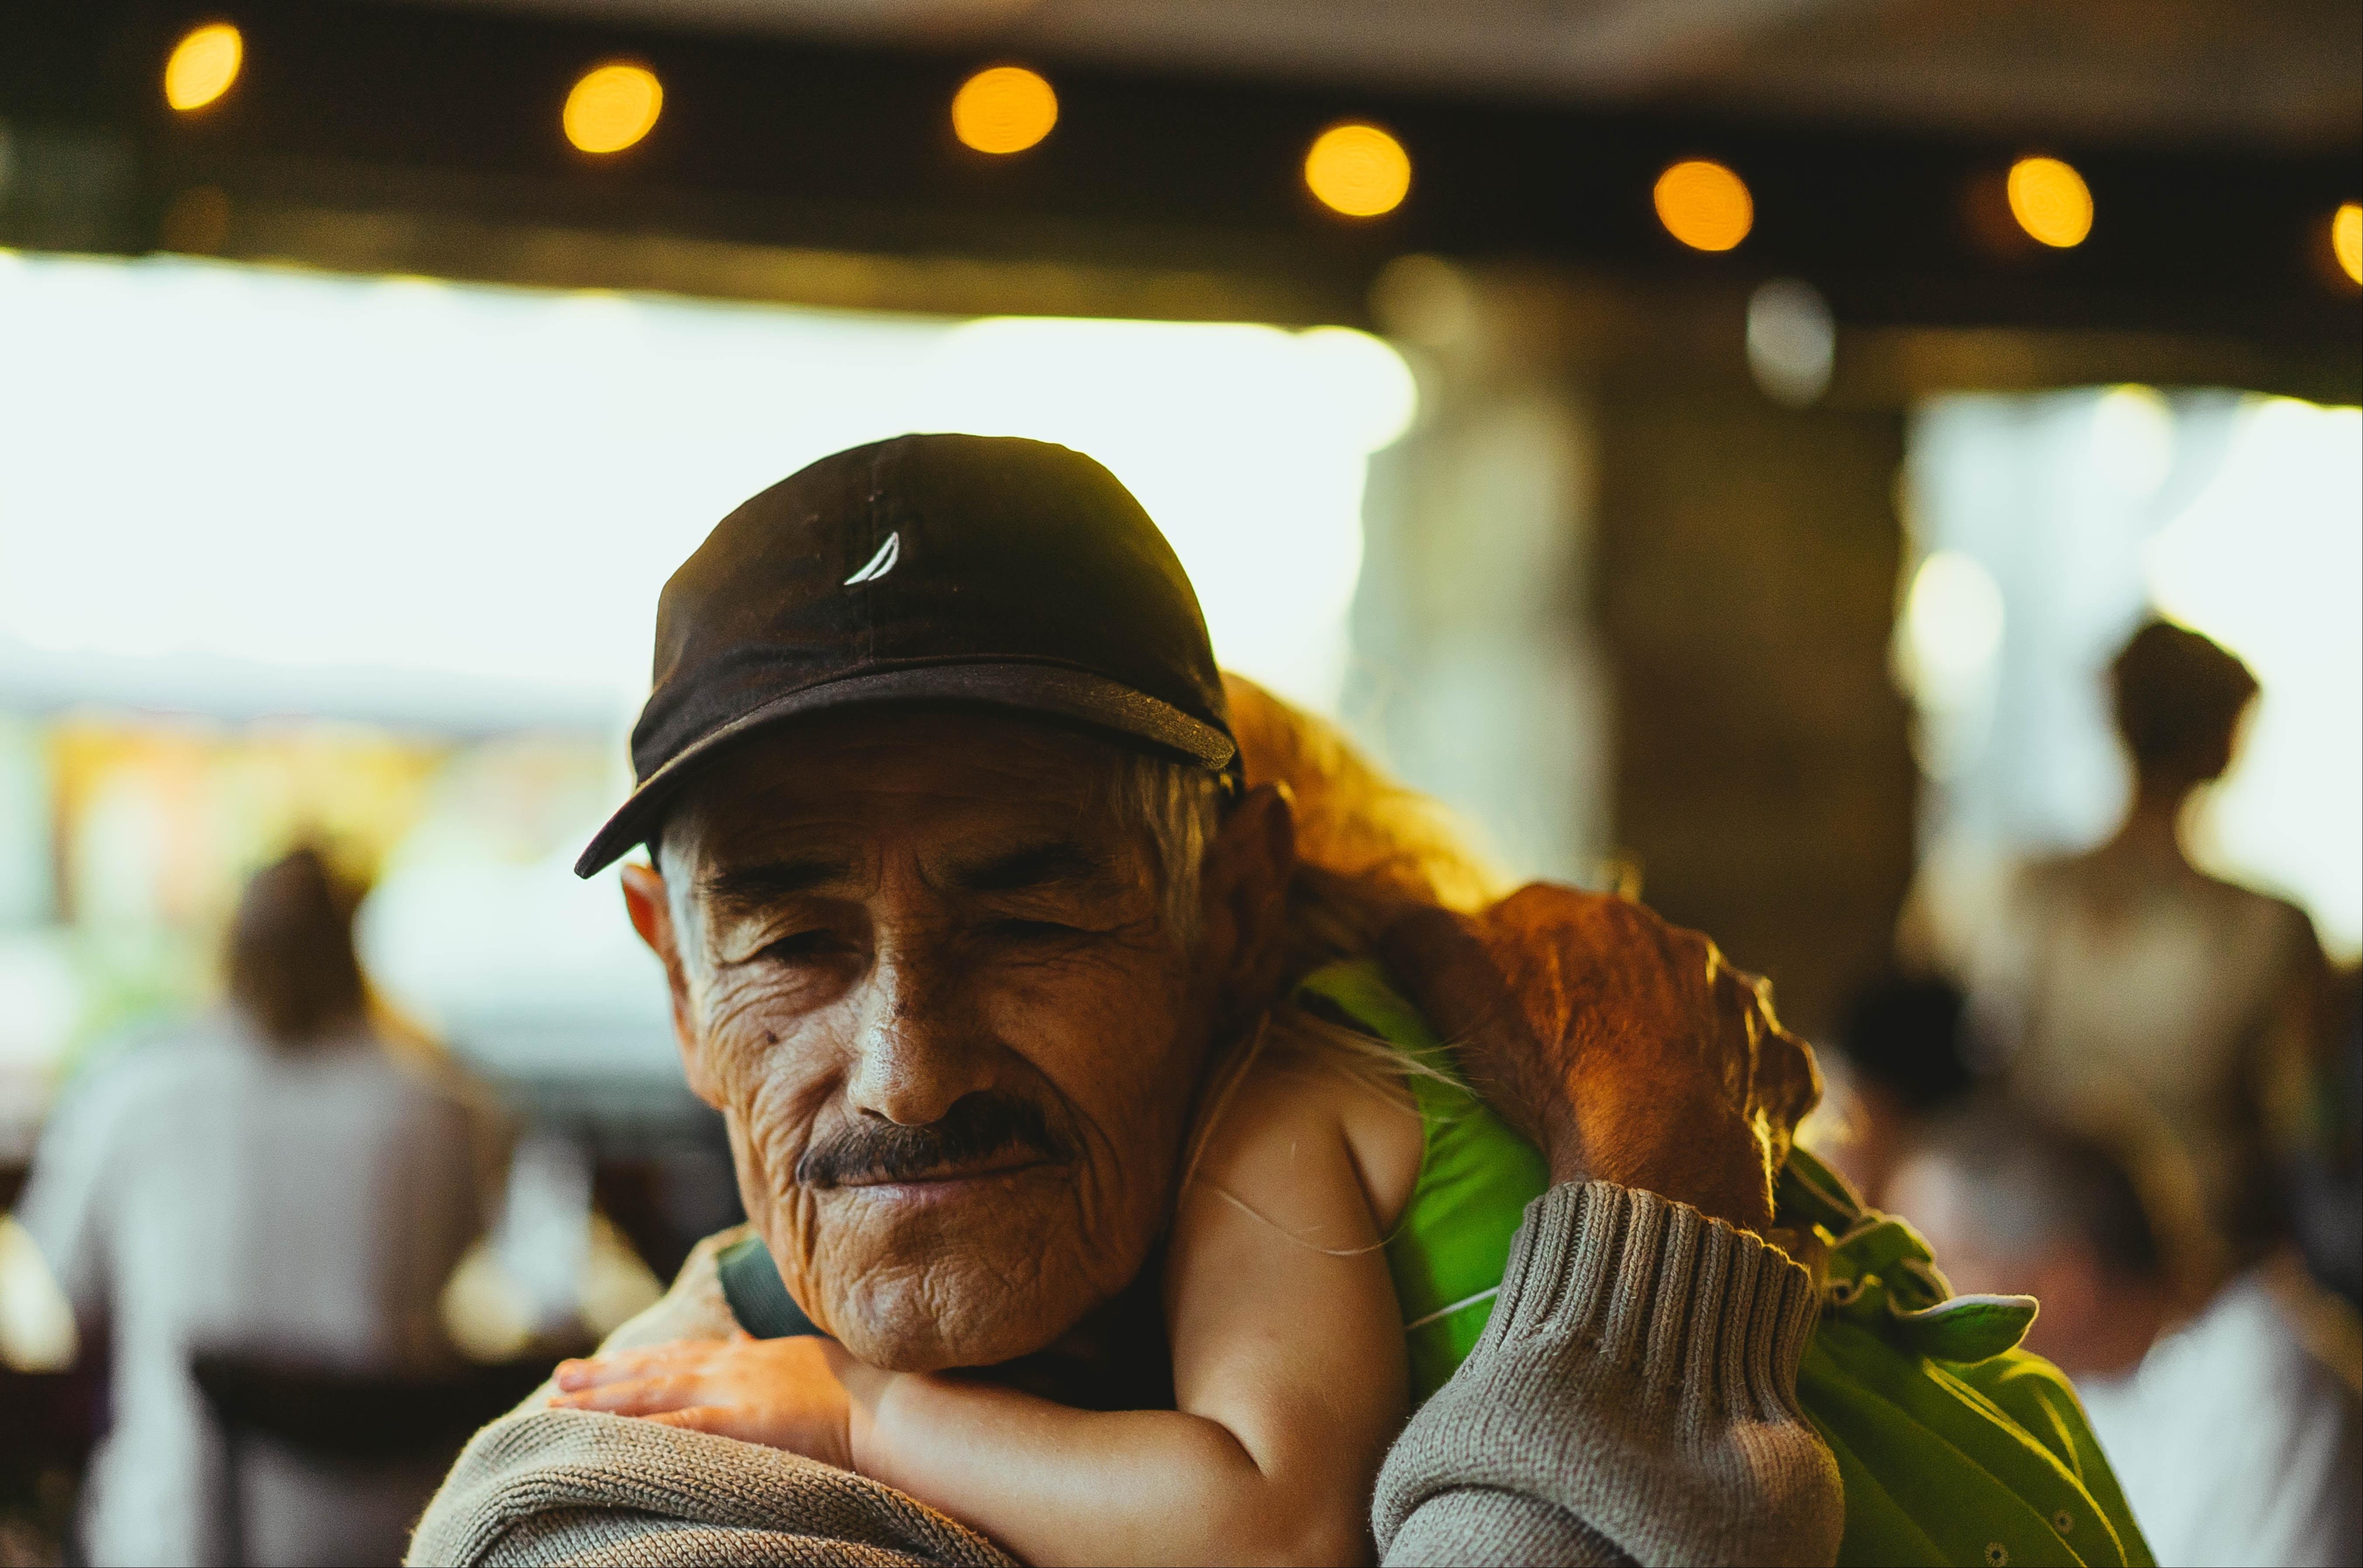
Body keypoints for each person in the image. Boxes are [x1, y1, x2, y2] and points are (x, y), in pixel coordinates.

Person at [410, 436, 2142, 1567]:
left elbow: (1268, 1518)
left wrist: (871, 1413)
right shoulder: (618, 1505)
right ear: (675, 974)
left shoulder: (1281, 1123)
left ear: (1236, 907)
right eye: (794, 938)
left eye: (1028, 907)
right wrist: (1660, 1194)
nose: (908, 1067)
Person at [15, 849, 484, 1567]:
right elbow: (459, 1280)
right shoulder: (440, 1109)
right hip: (396, 1535)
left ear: (225, 947)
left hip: (177, 1536)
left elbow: (65, 1296)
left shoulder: (132, 1089)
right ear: (352, 951)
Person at [1947, 620, 2327, 1271]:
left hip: (2035, 1248)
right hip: (2197, 1258)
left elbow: (1986, 1067)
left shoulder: (2029, 894)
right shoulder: (2266, 926)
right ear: (2224, 742)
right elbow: (2302, 1129)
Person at [1890, 1103, 2362, 1567]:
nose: (1902, 1303)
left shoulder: (2259, 1380)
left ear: (2062, 1285)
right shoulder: (2067, 1393)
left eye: (1937, 1268)